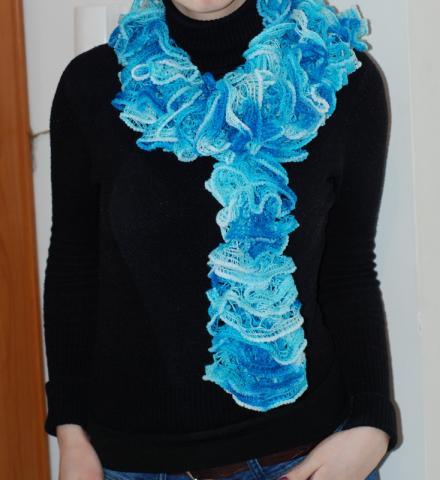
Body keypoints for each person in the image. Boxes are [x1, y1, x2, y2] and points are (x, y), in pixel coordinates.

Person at [42, 0, 399, 479]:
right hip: (131, 461)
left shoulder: (333, 76)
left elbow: (349, 268)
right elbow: (74, 266)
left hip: (298, 456)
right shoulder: (93, 84)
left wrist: (373, 423)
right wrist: (69, 430)